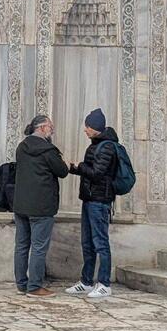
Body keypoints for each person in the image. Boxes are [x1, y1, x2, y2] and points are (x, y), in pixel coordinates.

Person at [12, 113, 69, 298]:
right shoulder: (48, 150)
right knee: (38, 247)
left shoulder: (21, 147)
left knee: (21, 245)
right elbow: (62, 171)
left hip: (21, 205)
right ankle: (34, 287)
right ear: (42, 128)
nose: (52, 130)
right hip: (42, 206)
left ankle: (22, 284)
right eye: (50, 127)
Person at [66, 108, 118, 301]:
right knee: (87, 243)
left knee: (100, 243)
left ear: (95, 127)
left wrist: (80, 167)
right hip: (89, 199)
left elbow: (97, 173)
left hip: (99, 201)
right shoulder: (96, 145)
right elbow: (91, 171)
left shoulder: (107, 147)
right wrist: (74, 169)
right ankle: (86, 281)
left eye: (87, 126)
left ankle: (104, 284)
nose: (85, 130)